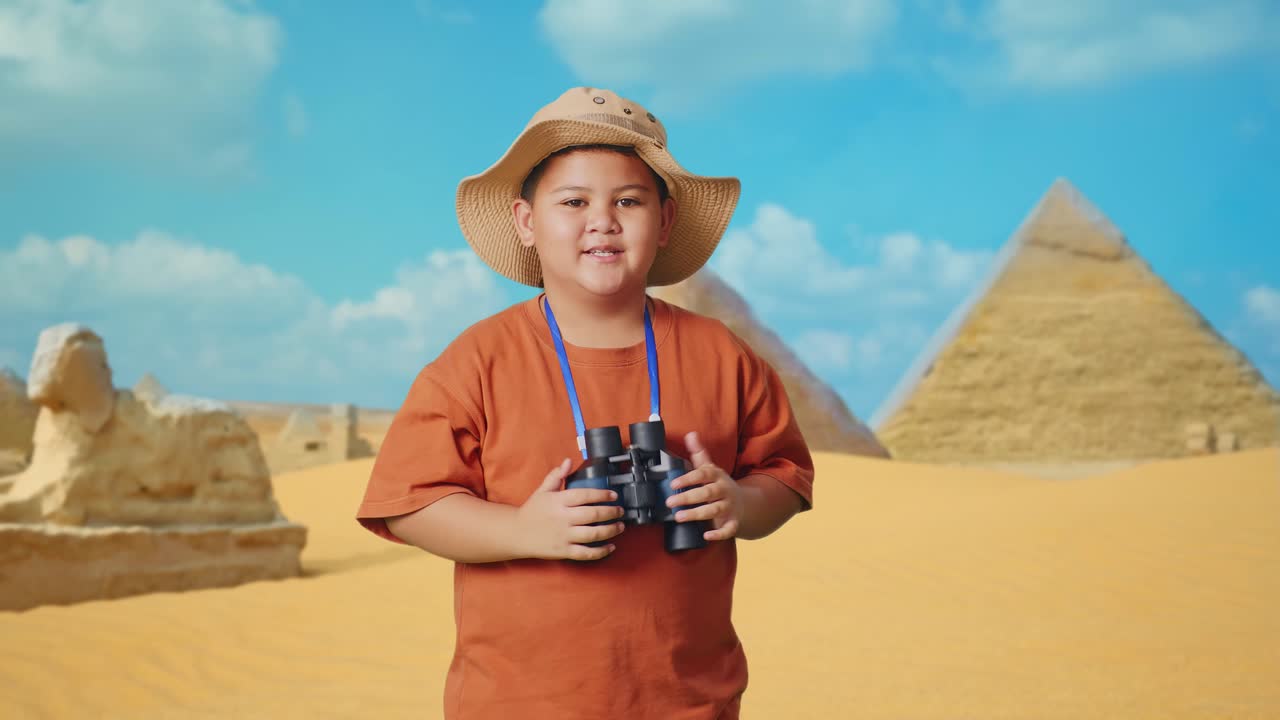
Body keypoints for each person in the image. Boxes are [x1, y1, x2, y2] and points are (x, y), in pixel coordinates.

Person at [356, 86, 815, 719]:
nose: (603, 219)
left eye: (629, 200)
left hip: (689, 701)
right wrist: (521, 529)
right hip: (519, 703)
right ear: (526, 222)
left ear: (666, 222)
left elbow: (786, 478)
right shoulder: (476, 362)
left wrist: (739, 502)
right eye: (573, 201)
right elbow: (408, 504)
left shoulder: (723, 355)